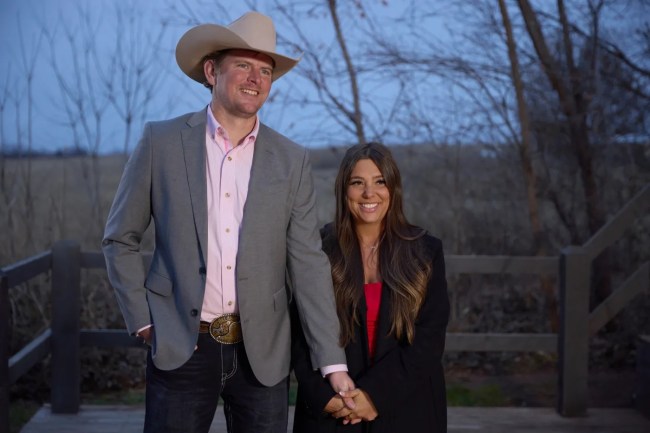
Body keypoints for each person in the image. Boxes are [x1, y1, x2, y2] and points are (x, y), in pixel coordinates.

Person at [102, 11, 354, 433]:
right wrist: (143, 320)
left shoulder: (291, 160)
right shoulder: (161, 143)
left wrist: (332, 362)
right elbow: (119, 239)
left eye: (265, 71)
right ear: (211, 71)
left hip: (262, 354)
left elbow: (308, 264)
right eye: (243, 65)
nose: (256, 78)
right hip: (181, 345)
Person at [291, 142, 450, 432]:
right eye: (357, 183)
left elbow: (429, 340)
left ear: (393, 188)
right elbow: (299, 332)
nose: (369, 193)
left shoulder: (426, 252)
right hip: (335, 410)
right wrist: (325, 398)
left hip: (407, 408)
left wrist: (373, 397)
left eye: (380, 182)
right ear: (344, 190)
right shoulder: (318, 250)